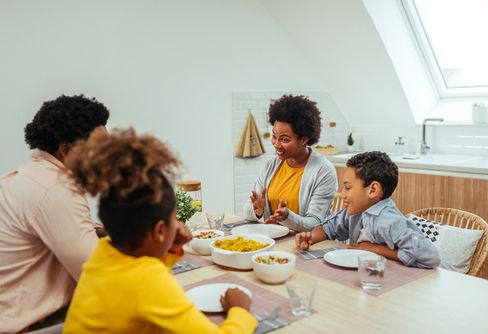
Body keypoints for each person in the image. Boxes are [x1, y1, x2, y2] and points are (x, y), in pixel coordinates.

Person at [63, 128, 257, 333]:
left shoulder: (104, 254)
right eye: (173, 219)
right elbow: (149, 285)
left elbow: (144, 279)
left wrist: (170, 248)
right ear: (159, 231)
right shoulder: (147, 281)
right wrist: (239, 310)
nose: (178, 225)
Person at [0, 95, 110, 332]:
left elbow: (67, 229)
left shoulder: (30, 176)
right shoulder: (55, 189)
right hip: (30, 327)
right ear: (67, 149)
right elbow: (100, 279)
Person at [295, 151, 440, 268]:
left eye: (348, 187)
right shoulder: (357, 210)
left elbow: (431, 257)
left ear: (372, 190)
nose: (342, 194)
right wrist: (311, 238)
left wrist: (375, 249)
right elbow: (330, 227)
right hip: (367, 274)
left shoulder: (388, 221)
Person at [243, 95, 338, 232]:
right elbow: (247, 210)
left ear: (304, 139)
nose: (276, 144)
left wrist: (287, 217)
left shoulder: (323, 170)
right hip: (273, 242)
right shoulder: (270, 166)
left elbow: (316, 223)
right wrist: (258, 211)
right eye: (274, 137)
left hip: (306, 245)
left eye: (285, 140)